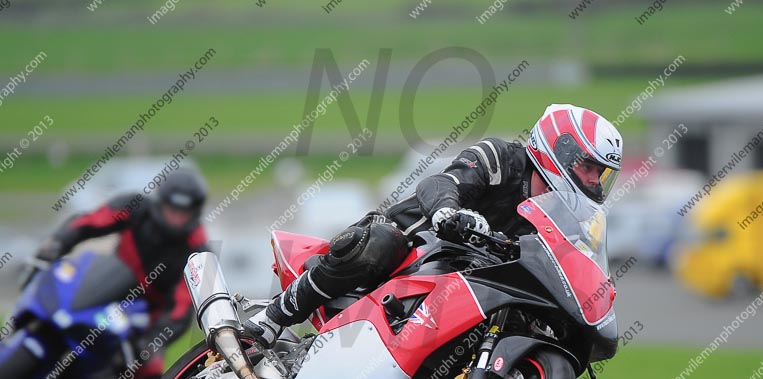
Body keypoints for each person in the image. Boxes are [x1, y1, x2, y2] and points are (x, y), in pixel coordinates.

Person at [247, 103, 623, 347]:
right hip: (417, 247)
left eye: (600, 174)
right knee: (379, 242)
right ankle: (273, 317)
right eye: (588, 167)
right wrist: (447, 211)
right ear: (560, 150)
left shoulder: (570, 222)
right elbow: (440, 183)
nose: (593, 180)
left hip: (477, 286)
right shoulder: (502, 158)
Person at [33, 168, 209, 379]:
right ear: (160, 201)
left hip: (145, 317)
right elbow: (90, 222)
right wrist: (58, 242)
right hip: (106, 286)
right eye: (172, 209)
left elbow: (182, 307)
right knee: (52, 298)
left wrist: (154, 339)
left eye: (183, 212)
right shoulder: (134, 206)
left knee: (152, 375)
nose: (176, 217)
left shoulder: (197, 249)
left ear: (195, 212)